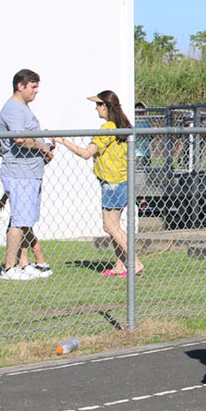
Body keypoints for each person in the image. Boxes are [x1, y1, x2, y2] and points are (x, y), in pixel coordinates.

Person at [55, 90, 141, 276]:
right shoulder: (122, 126)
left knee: (110, 227)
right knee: (114, 227)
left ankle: (134, 261)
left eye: (98, 105)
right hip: (122, 182)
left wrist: (63, 141)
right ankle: (120, 265)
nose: (96, 109)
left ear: (105, 106)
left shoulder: (108, 128)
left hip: (113, 183)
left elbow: (86, 153)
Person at [0, 68, 56, 280]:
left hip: (31, 171)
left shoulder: (23, 108)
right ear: (20, 86)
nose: (36, 91)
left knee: (25, 220)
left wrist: (45, 151)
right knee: (18, 221)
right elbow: (19, 139)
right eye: (33, 86)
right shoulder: (13, 108)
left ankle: (24, 264)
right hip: (19, 172)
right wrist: (41, 147)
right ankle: (9, 268)